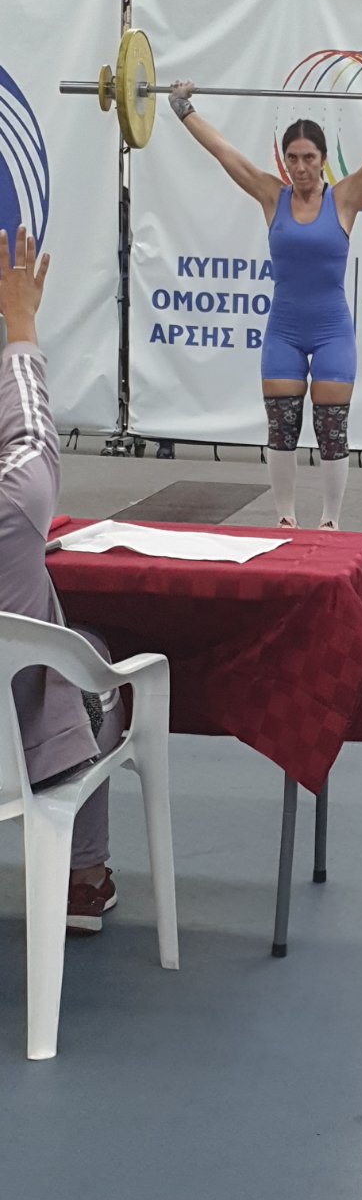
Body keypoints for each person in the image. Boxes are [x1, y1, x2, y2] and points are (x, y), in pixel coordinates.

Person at [168, 79, 362, 530]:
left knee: (331, 429)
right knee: (281, 428)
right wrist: (183, 108)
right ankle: (285, 518)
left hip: (331, 332)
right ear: (284, 160)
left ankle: (329, 522)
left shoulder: (345, 198)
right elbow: (224, 152)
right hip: (283, 331)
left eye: (309, 157)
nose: (300, 167)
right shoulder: (272, 196)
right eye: (293, 158)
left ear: (323, 159)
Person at [0, 226, 124, 932]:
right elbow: (31, 436)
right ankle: (82, 876)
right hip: (17, 752)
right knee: (88, 655)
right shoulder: (15, 500)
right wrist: (20, 322)